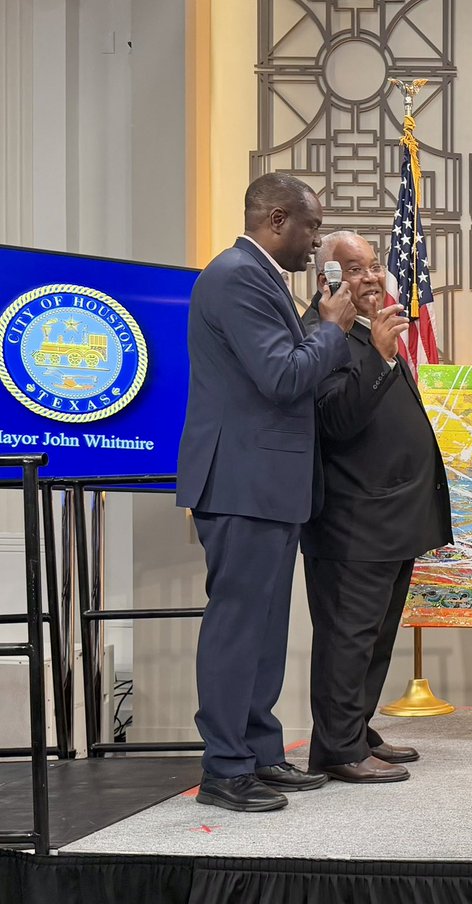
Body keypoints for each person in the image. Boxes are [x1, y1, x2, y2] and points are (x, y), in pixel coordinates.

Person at [177, 173, 356, 811]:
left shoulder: (262, 278)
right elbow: (281, 376)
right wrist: (330, 328)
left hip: (267, 483)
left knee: (266, 628)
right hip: (241, 480)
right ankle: (225, 769)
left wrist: (323, 329)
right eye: (312, 227)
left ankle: (259, 753)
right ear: (277, 220)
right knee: (238, 626)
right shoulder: (235, 276)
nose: (317, 242)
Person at [300, 231, 453, 782]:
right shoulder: (323, 335)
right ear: (328, 278)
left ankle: (355, 729)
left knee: (375, 638)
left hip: (391, 519)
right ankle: (337, 749)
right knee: (348, 637)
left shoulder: (369, 330)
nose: (370, 278)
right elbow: (336, 420)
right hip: (353, 522)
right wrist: (383, 359)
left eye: (373, 266)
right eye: (354, 269)